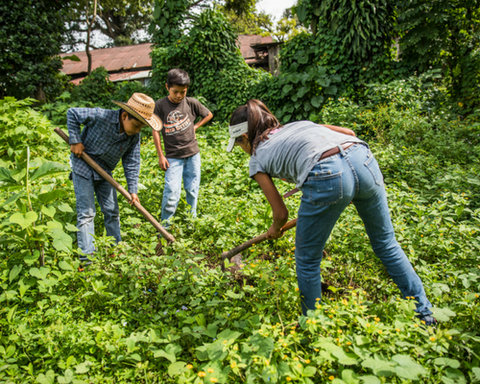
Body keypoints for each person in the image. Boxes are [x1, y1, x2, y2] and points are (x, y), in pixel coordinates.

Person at [226, 99, 436, 325]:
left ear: (245, 138)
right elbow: (349, 132)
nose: (243, 151)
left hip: (326, 173)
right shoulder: (297, 125)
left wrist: (275, 229)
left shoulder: (257, 159)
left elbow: (281, 214)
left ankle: (312, 325)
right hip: (362, 158)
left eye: (239, 146)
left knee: (307, 259)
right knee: (386, 243)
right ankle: (425, 315)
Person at [67, 93, 162, 262]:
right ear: (125, 116)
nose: (138, 130)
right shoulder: (101, 116)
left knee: (112, 211)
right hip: (83, 166)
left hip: (104, 172)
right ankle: (87, 259)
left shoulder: (133, 136)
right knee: (87, 213)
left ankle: (116, 251)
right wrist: (75, 140)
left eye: (142, 127)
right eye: (137, 125)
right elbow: (72, 113)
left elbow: (132, 161)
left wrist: (133, 190)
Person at [152, 69, 213, 228]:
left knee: (192, 189)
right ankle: (165, 226)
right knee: (172, 191)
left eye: (183, 92)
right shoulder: (160, 106)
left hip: (193, 154)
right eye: (175, 92)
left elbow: (208, 114)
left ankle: (191, 221)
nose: (179, 95)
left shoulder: (191, 102)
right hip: (173, 157)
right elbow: (155, 130)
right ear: (167, 87)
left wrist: (196, 126)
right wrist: (160, 155)